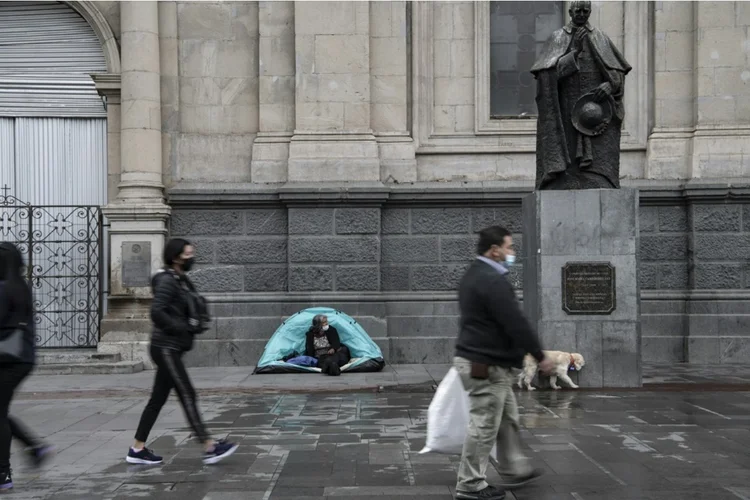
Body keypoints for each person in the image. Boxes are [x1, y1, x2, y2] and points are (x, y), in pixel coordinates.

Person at [453, 227, 554, 500]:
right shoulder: (492, 280)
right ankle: (470, 485)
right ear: (494, 249)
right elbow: (514, 322)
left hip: (482, 362)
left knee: (508, 417)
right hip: (486, 365)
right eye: (509, 247)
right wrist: (539, 355)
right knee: (485, 425)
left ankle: (514, 468)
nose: (512, 253)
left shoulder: (474, 274)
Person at [126, 238, 238, 466]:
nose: (191, 258)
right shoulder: (167, 280)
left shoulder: (180, 279)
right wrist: (181, 329)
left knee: (157, 399)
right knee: (187, 393)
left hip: (170, 346)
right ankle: (209, 446)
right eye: (188, 255)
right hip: (165, 346)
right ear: (176, 256)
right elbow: (156, 312)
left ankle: (137, 449)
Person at [531, 0, 631, 190]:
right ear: (570, 11)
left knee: (599, 157)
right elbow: (547, 76)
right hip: (567, 106)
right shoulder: (558, 37)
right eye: (578, 11)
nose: (582, 14)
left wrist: (610, 85)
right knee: (569, 156)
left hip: (598, 106)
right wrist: (574, 52)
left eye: (586, 11)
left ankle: (599, 178)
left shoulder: (600, 37)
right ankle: (566, 178)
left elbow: (617, 73)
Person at [0, 243, 54, 491]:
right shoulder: (20, 287)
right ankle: (35, 447)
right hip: (21, 358)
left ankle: (3, 473)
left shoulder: (3, 289)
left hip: (7, 359)